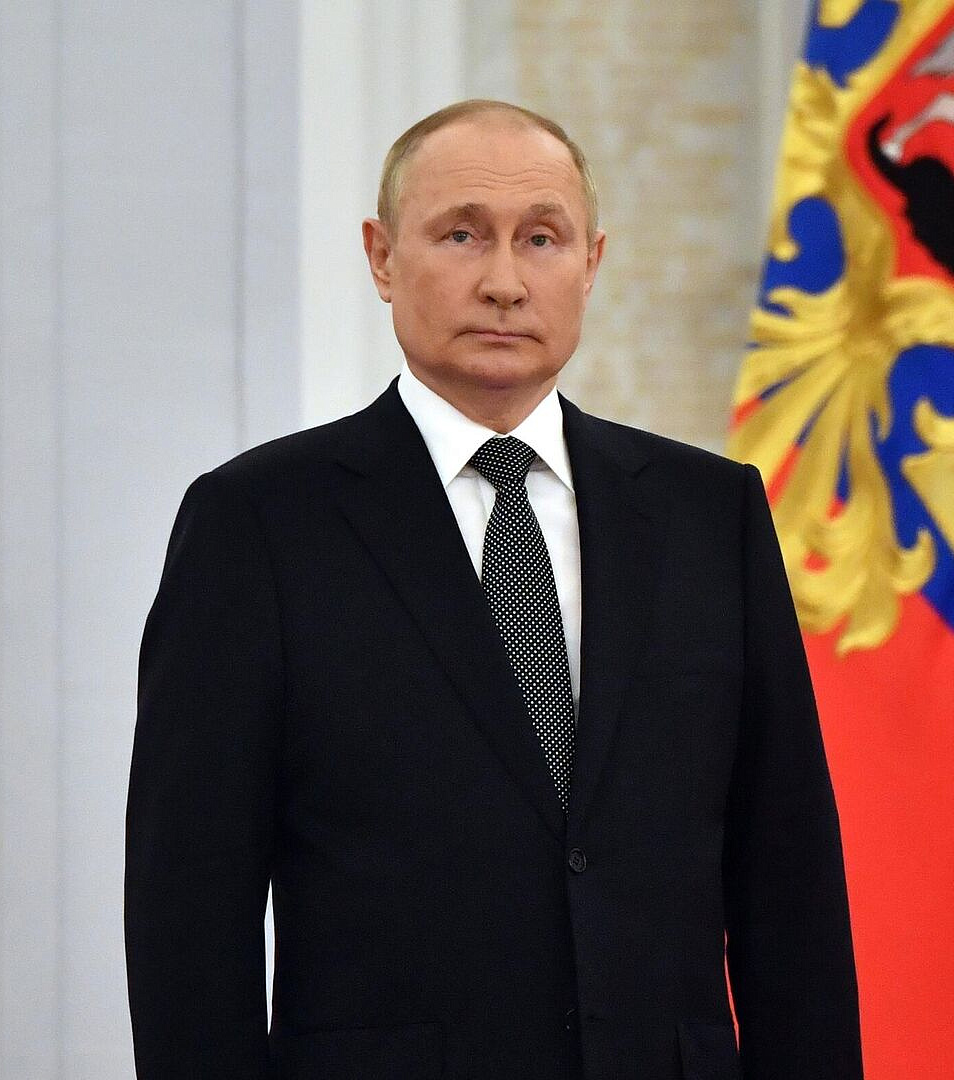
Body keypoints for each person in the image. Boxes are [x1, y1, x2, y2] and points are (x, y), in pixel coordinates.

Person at [124, 99, 861, 1079]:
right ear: (382, 257)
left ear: (591, 262)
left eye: (542, 239)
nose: (506, 282)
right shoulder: (258, 523)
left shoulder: (708, 516)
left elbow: (789, 882)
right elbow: (189, 916)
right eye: (462, 235)